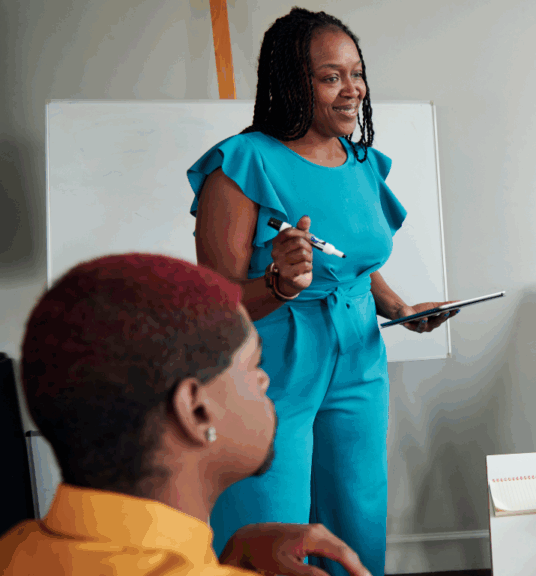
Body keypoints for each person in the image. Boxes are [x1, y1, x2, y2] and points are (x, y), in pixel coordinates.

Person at [186, 9, 454, 575]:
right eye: (332, 76)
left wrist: (400, 310)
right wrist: (280, 283)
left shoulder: (359, 162)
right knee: (270, 525)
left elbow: (354, 265)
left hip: (359, 356)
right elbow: (215, 303)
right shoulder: (242, 164)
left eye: (356, 73)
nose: (352, 89)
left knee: (355, 518)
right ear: (291, 84)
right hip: (271, 363)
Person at [0, 253, 369, 576]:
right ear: (196, 410)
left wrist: (226, 561)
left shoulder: (13, 550)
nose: (264, 379)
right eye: (254, 364)